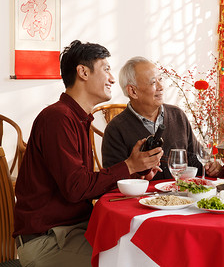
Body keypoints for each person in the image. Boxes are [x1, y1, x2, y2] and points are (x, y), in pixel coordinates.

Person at [13, 40, 163, 267]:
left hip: (73, 232)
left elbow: (85, 182)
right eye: (106, 69)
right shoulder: (57, 118)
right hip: (48, 240)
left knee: (150, 250)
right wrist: (129, 165)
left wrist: (135, 174)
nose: (112, 78)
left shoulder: (78, 118)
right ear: (83, 72)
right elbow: (76, 188)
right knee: (136, 262)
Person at [102, 56, 224, 179]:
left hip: (182, 195)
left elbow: (198, 157)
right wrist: (140, 176)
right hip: (142, 197)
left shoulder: (177, 115)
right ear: (133, 91)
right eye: (153, 82)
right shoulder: (116, 129)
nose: (161, 87)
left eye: (160, 79)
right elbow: (112, 180)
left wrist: (212, 166)